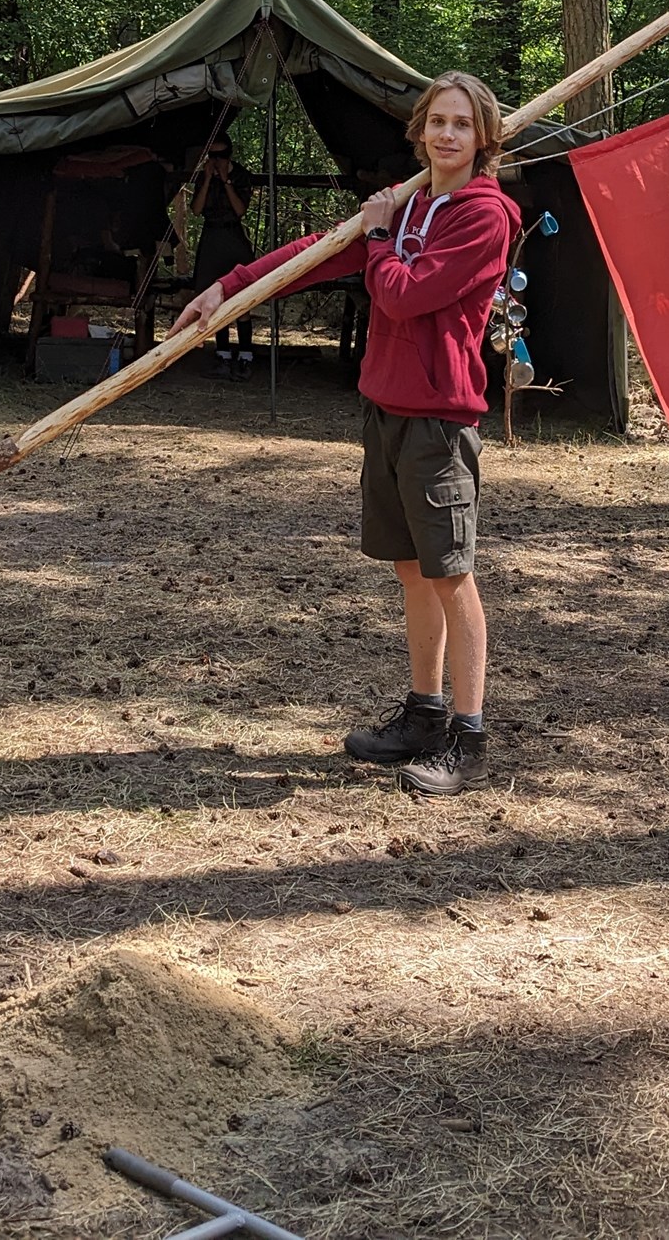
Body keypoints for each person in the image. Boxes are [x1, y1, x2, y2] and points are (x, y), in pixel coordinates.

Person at [172, 72, 515, 796]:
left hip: (439, 418)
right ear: (419, 130)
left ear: (483, 136)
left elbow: (405, 293)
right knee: (410, 568)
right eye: (438, 121)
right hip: (384, 406)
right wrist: (230, 287)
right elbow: (322, 251)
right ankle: (424, 714)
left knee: (451, 573)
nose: (448, 134)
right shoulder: (410, 202)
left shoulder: (485, 216)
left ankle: (469, 737)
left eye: (462, 123)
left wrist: (381, 234)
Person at [186, 140, 259, 379]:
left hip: (233, 236)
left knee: (242, 296)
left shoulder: (241, 176)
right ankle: (223, 354)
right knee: (213, 296)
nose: (217, 161)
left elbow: (240, 210)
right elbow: (196, 210)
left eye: (221, 156)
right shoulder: (204, 177)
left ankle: (246, 356)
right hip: (211, 236)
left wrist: (226, 181)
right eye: (212, 156)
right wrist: (208, 179)